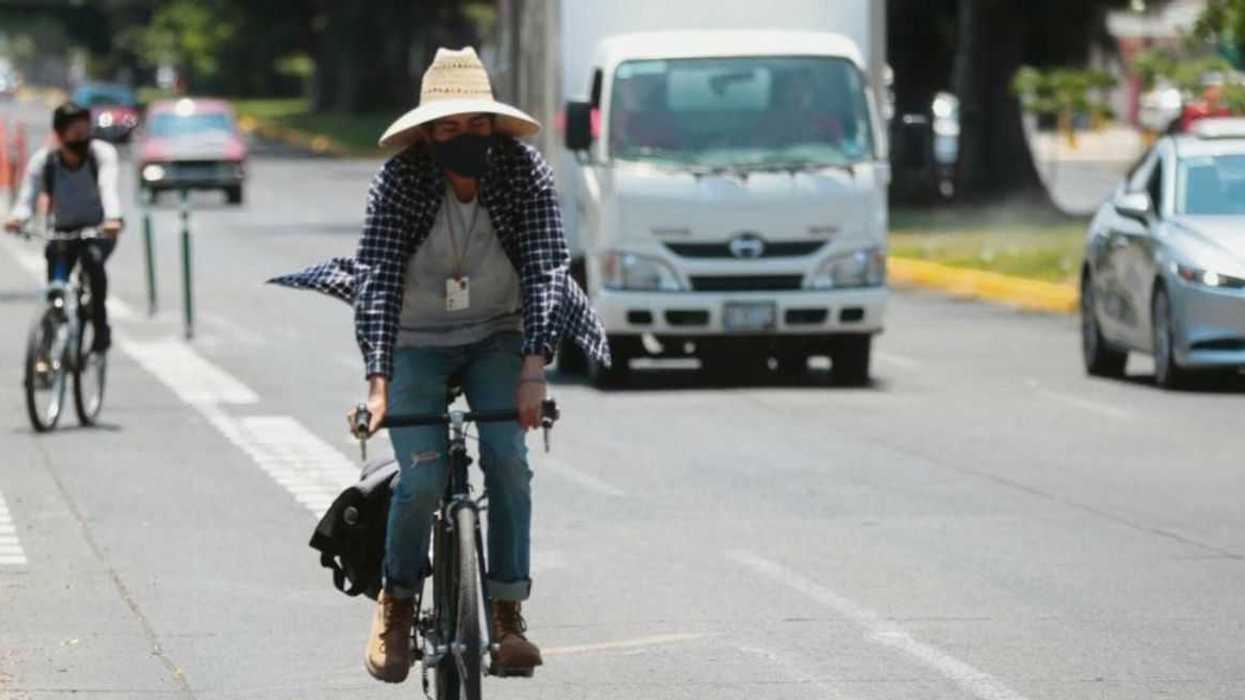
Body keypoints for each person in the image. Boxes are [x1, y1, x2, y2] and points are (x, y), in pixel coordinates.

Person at [343, 47, 609, 684]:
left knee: (509, 460)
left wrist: (534, 369)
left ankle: (508, 612)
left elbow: (547, 270)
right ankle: (398, 603)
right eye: (450, 128)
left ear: (494, 125)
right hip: (414, 339)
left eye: (477, 124)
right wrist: (378, 384)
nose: (467, 137)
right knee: (425, 475)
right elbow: (376, 280)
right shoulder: (402, 181)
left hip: (496, 332)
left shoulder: (522, 172)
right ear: (429, 135)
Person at [5, 101, 123, 352]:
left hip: (98, 229)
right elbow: (27, 198)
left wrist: (113, 218)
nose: (82, 139)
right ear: (59, 135)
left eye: (85, 132)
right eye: (76, 134)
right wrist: (18, 218)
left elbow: (108, 188)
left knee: (92, 261)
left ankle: (100, 327)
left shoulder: (101, 154)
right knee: (54, 284)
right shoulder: (44, 161)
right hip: (62, 230)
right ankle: (46, 348)